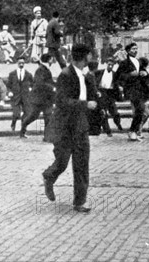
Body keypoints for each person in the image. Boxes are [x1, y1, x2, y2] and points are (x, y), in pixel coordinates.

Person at [42, 44, 98, 213]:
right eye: (90, 55)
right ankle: (49, 176)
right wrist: (85, 104)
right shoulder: (65, 75)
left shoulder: (86, 75)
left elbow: (93, 95)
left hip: (80, 124)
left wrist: (91, 82)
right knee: (62, 162)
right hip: (65, 125)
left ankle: (80, 201)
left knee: (82, 164)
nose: (92, 58)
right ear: (84, 56)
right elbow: (62, 101)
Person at [118, 43, 149, 142]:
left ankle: (134, 131)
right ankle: (133, 131)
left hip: (140, 89)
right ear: (128, 51)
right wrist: (129, 75)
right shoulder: (124, 63)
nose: (135, 51)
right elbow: (119, 76)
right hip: (131, 89)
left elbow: (145, 73)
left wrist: (145, 73)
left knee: (139, 111)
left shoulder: (138, 62)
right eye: (133, 49)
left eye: (136, 49)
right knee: (140, 108)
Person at [20, 53, 55, 141]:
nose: (53, 61)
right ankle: (23, 127)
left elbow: (48, 82)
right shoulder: (41, 70)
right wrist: (52, 87)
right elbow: (40, 83)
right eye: (51, 59)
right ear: (49, 59)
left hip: (47, 99)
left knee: (48, 117)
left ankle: (47, 137)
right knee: (33, 116)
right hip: (39, 98)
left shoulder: (45, 69)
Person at [94, 57, 123, 136]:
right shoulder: (99, 72)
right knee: (103, 113)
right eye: (109, 64)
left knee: (115, 112)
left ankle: (118, 123)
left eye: (112, 65)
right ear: (106, 64)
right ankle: (108, 131)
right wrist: (96, 91)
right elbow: (93, 80)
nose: (110, 66)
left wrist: (119, 88)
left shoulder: (114, 74)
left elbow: (118, 83)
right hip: (102, 93)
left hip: (110, 94)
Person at [7, 57, 34, 133]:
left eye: (23, 63)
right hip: (15, 97)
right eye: (20, 63)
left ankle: (23, 130)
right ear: (17, 63)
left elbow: (33, 85)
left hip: (25, 97)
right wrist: (9, 92)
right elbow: (8, 86)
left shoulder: (28, 74)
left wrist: (31, 89)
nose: (21, 64)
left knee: (27, 113)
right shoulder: (12, 74)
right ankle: (13, 123)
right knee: (16, 113)